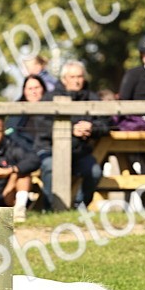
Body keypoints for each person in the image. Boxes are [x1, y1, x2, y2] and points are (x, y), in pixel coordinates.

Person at [44, 60, 109, 210]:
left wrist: (92, 128)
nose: (77, 81)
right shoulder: (50, 98)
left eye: (79, 77)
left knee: (94, 172)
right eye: (72, 77)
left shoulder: (92, 98)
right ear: (64, 79)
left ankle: (80, 206)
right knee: (49, 167)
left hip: (81, 152)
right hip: (52, 151)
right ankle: (51, 209)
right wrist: (70, 130)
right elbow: (42, 126)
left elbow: (106, 124)